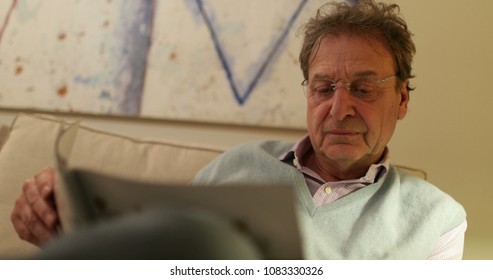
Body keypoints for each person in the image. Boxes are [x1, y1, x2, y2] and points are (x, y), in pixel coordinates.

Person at [10, 0, 466, 259]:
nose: (339, 109)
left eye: (364, 89)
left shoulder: (437, 220)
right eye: (324, 87)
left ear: (402, 99)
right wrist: (63, 229)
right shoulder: (235, 167)